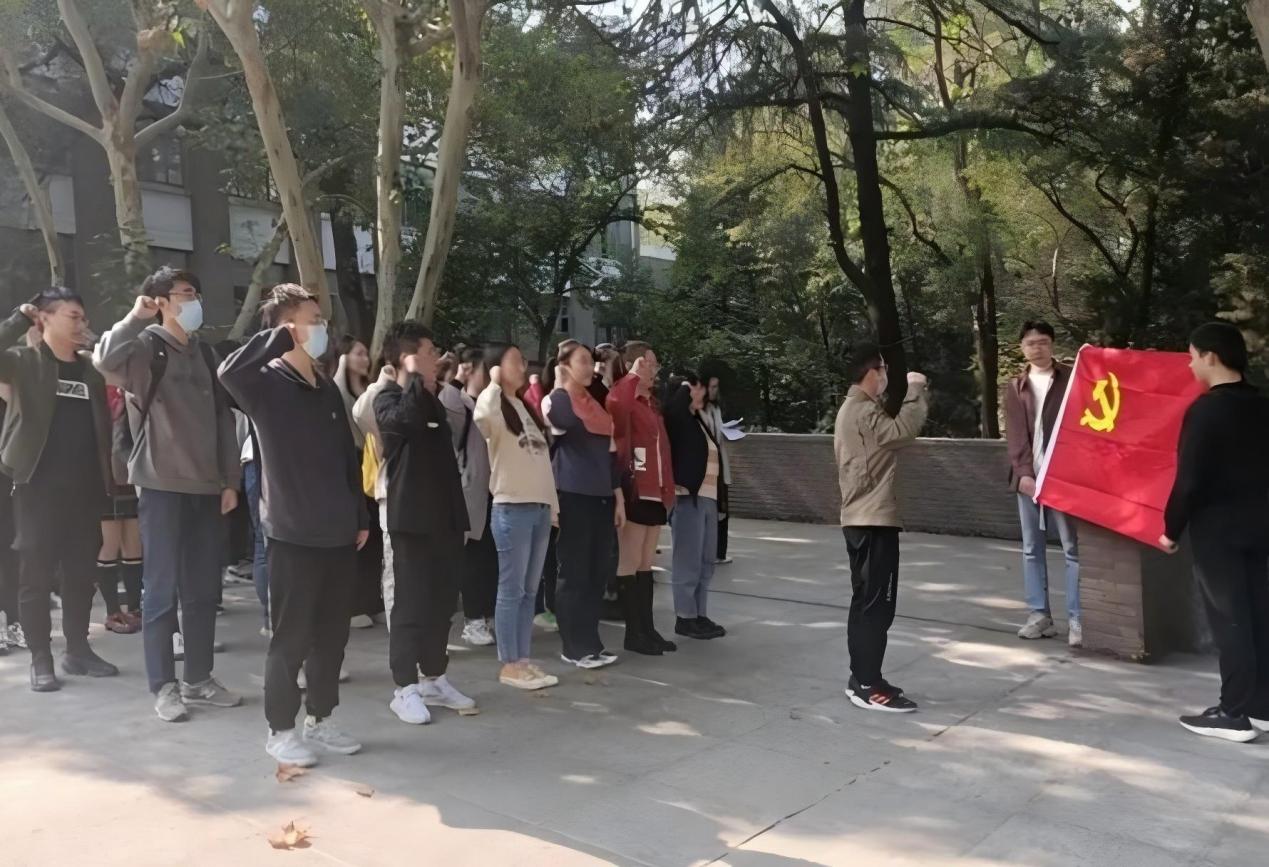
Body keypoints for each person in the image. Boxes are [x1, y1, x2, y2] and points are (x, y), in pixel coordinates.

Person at [219, 284, 367, 766]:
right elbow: (227, 372)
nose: (322, 328)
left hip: (337, 529)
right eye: (312, 319)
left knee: (332, 636)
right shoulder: (264, 383)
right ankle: (280, 729)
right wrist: (281, 338)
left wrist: (359, 514)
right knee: (291, 638)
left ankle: (321, 718)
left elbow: (346, 456)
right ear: (287, 327)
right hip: (291, 531)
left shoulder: (325, 387)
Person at [94, 266, 241, 721]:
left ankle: (198, 678)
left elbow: (222, 420)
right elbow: (105, 361)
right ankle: (164, 686)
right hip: (160, 486)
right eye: (185, 293)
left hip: (206, 486)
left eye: (195, 292)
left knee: (202, 590)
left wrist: (230, 480)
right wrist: (135, 316)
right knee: (160, 592)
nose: (194, 301)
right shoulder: (145, 346)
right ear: (161, 302)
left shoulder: (205, 352)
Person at [0, 289, 118, 690]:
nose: (81, 323)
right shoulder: (25, 362)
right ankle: (40, 657)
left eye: (83, 317)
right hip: (37, 487)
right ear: (45, 318)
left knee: (81, 574)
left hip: (85, 487)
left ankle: (78, 650)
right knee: (35, 575)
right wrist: (19, 318)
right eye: (73, 316)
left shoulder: (91, 370)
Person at [1161, 323, 1269, 743]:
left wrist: (1171, 529)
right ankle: (1262, 706)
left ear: (1210, 356)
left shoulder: (1206, 411)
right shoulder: (1262, 406)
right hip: (1260, 529)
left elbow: (1190, 481)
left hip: (1219, 533)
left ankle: (1233, 713)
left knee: (1231, 621)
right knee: (1258, 615)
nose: (1190, 365)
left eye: (1192, 356)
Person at [375, 321, 478, 724]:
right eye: (430, 352)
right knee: (411, 604)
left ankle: (434, 677)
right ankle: (404, 687)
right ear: (408, 358)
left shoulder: (432, 399)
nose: (438, 358)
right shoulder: (386, 398)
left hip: (444, 517)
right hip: (412, 520)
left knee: (441, 602)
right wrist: (417, 379)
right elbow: (405, 422)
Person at [834, 345, 928, 713]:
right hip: (872, 520)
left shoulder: (854, 408)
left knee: (866, 604)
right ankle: (867, 685)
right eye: (885, 370)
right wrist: (916, 389)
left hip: (865, 519)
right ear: (873, 372)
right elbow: (901, 431)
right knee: (876, 607)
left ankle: (863, 677)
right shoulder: (862, 409)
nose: (887, 377)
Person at [475, 343, 560, 690]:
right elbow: (482, 418)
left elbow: (542, 462)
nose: (522, 366)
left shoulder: (524, 407)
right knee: (511, 589)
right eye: (513, 361)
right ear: (495, 366)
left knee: (529, 590)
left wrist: (552, 506)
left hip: (538, 508)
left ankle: (522, 659)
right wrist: (494, 383)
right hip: (512, 507)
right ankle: (509, 663)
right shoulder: (494, 405)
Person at [546, 339, 626, 669]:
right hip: (573, 494)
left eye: (591, 361)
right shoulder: (557, 400)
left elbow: (611, 455)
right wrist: (560, 383)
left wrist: (618, 497)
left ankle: (591, 641)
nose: (589, 367)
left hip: (602, 496)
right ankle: (573, 645)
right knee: (575, 572)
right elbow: (563, 422)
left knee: (597, 572)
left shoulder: (595, 402)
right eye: (581, 361)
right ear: (564, 365)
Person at [1004, 320, 1081, 647]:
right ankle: (1040, 615)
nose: (1037, 348)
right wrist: (1023, 472)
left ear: (1052, 344)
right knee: (1032, 549)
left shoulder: (1072, 379)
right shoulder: (1015, 386)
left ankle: (1077, 618)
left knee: (1072, 548)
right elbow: (1015, 434)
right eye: (1031, 343)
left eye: (1043, 342)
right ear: (1022, 348)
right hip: (1028, 479)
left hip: (1064, 478)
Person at [608, 341, 676, 655]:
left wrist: (667, 488)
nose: (655, 369)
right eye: (650, 363)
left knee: (646, 562)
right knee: (630, 560)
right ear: (636, 364)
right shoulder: (625, 396)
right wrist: (632, 377)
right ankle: (633, 632)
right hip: (636, 488)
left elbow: (661, 450)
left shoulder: (651, 403)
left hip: (655, 490)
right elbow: (617, 410)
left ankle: (647, 629)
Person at [439, 346, 498, 647]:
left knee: (488, 558)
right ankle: (473, 620)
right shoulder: (461, 401)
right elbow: (446, 402)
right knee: (473, 558)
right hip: (471, 490)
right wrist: (456, 378)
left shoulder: (491, 403)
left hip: (492, 491)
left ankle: (485, 615)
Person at [664, 372, 727, 641]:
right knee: (687, 560)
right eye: (697, 388)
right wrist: (685, 387)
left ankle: (699, 613)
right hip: (688, 498)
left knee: (705, 561)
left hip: (708, 497)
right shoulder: (678, 419)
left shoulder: (698, 420)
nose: (703, 393)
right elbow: (672, 410)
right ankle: (685, 616)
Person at [335, 335, 383, 631]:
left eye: (366, 353)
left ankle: (371, 600)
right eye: (358, 353)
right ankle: (352, 605)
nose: (365, 359)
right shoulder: (337, 391)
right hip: (351, 466)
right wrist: (341, 367)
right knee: (357, 537)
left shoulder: (367, 391)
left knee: (374, 536)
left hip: (373, 466)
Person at [99, 384, 142, 634]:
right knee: (110, 542)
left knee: (133, 543)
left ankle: (135, 608)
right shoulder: (97, 387)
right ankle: (112, 610)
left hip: (130, 471)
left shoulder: (129, 385)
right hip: (105, 474)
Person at [702, 375, 734, 565]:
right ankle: (711, 552)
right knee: (711, 511)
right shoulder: (700, 410)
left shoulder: (716, 408)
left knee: (723, 511)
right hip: (709, 468)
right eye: (711, 386)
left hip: (720, 466)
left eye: (716, 387)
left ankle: (720, 552)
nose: (714, 391)